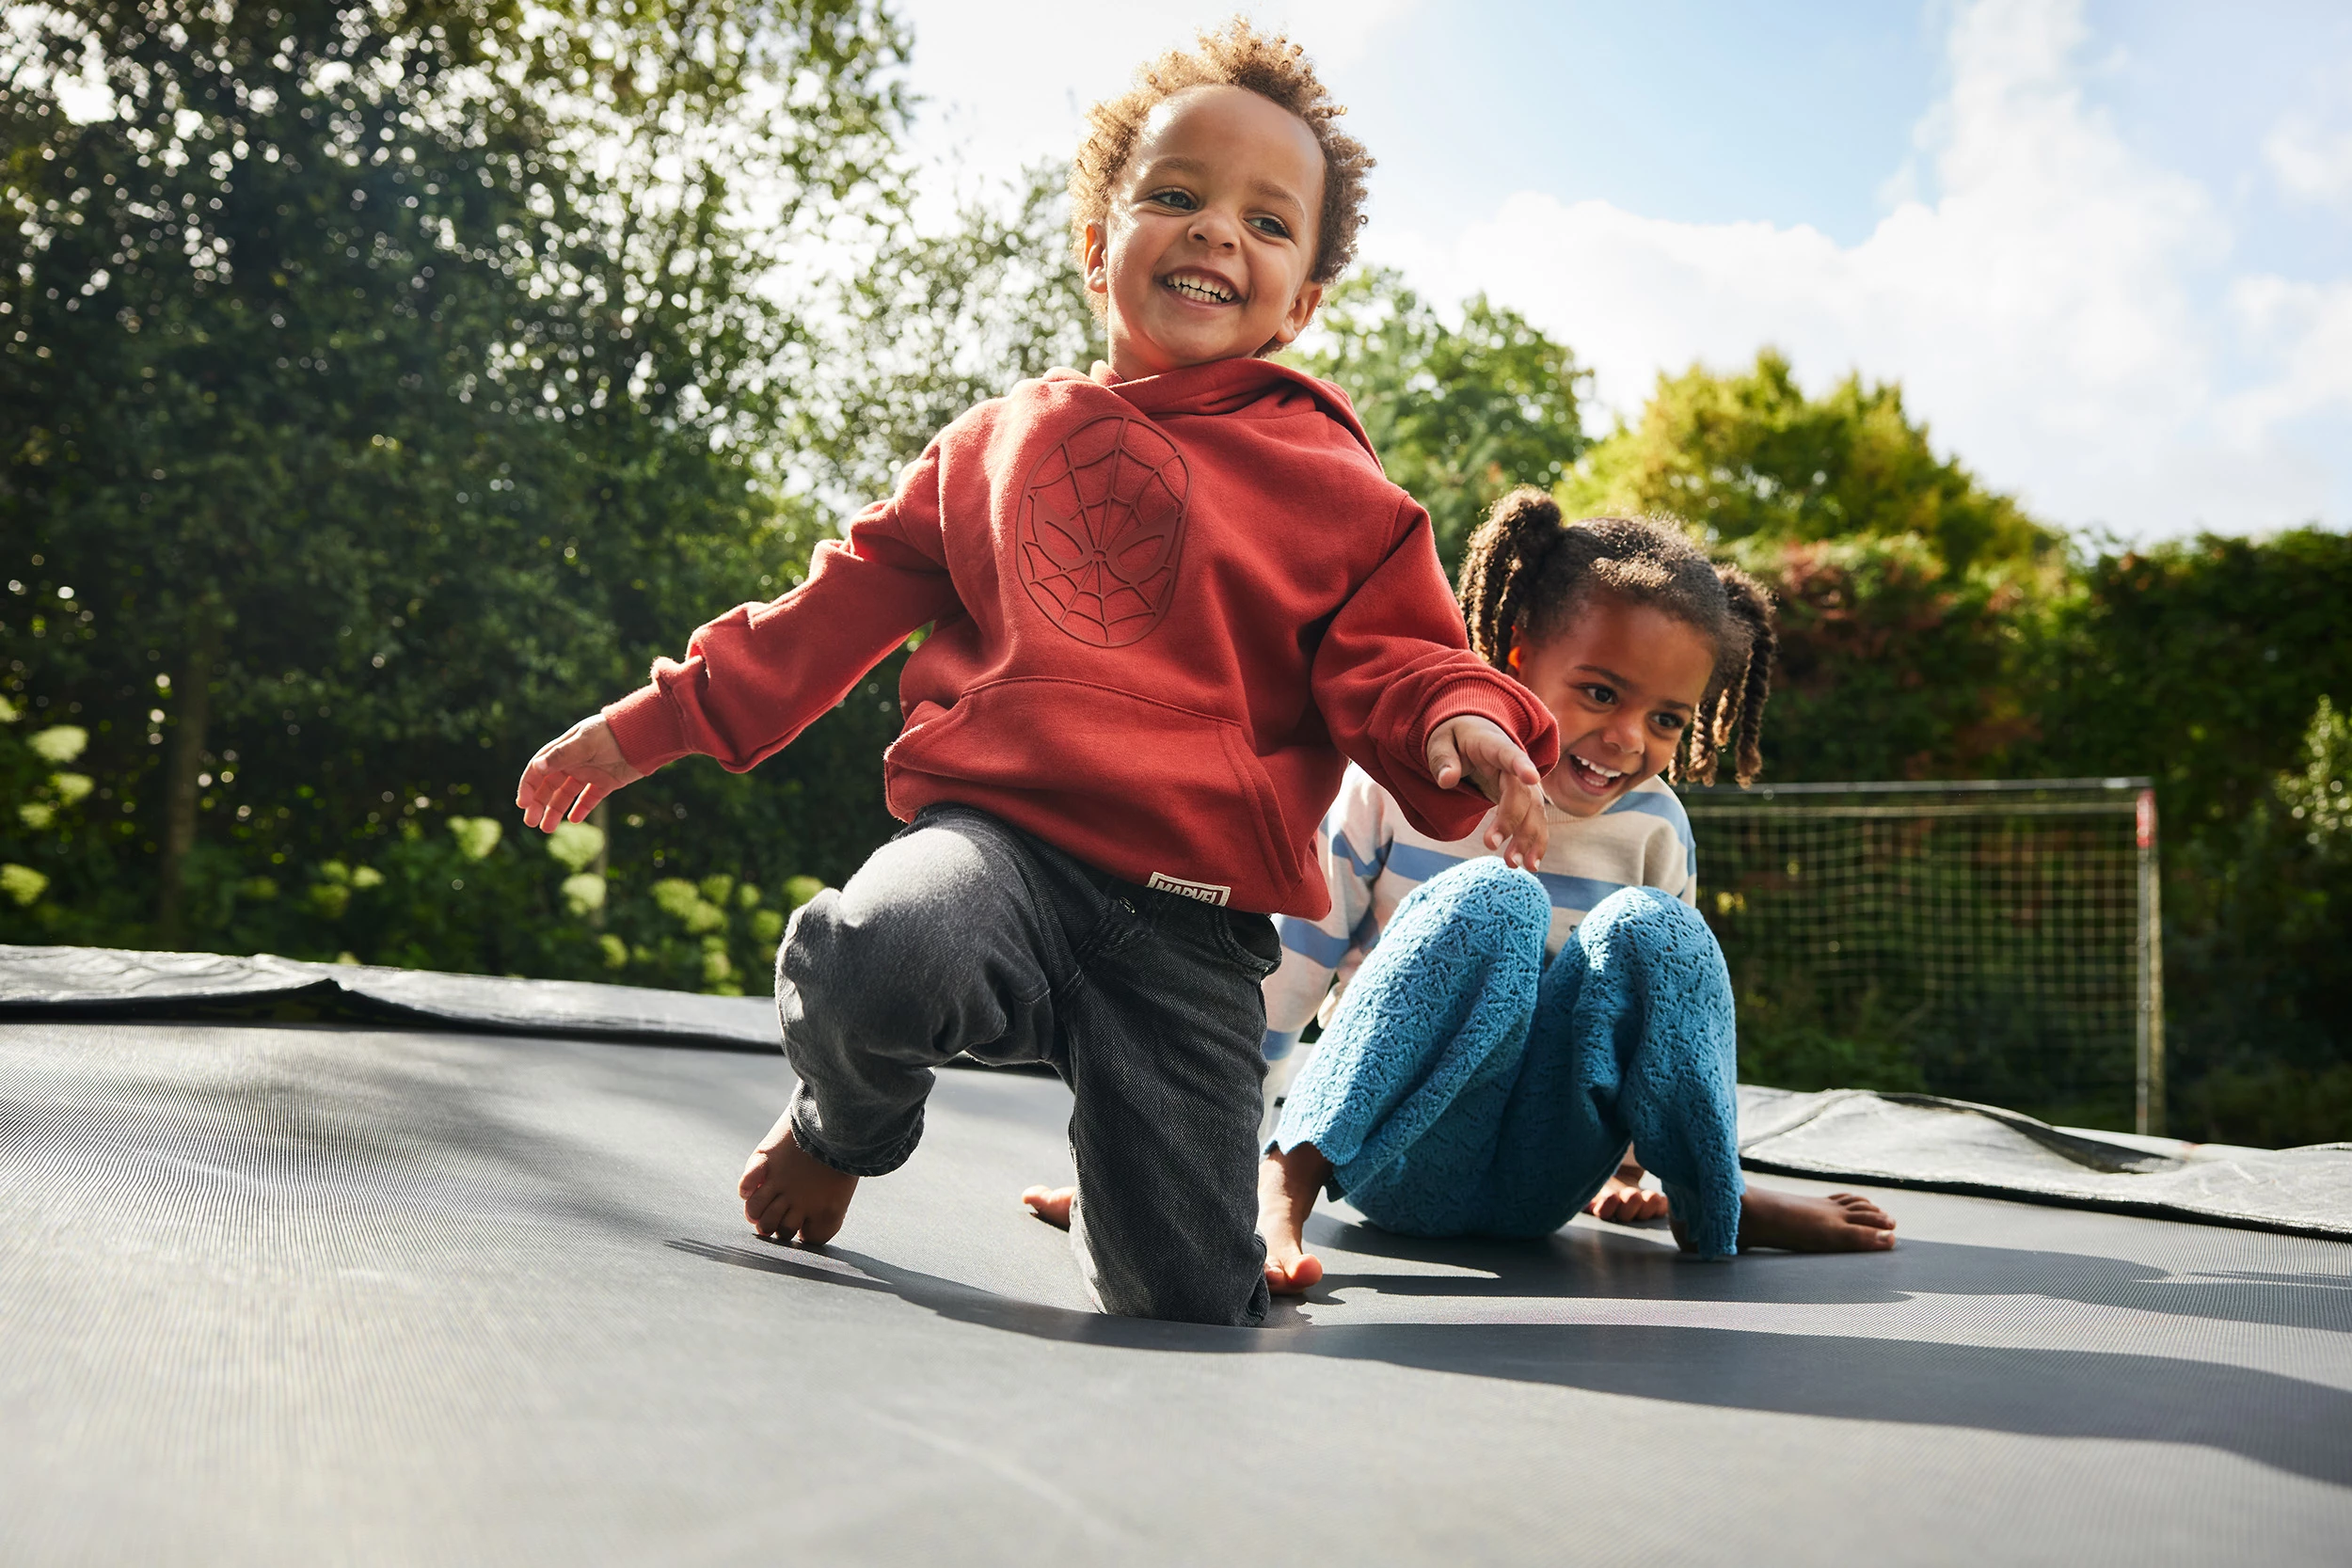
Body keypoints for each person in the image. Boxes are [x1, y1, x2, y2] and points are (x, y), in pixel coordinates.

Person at [512, 24, 1561, 1329]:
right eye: (1174, 198)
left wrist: (1464, 716)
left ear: (1300, 303)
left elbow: (1400, 657)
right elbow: (829, 609)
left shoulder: (1340, 491)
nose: (1215, 233)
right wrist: (645, 726)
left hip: (1189, 927)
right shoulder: (995, 448)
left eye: (1266, 222)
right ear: (1096, 240)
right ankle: (844, 1123)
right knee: (875, 954)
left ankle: (1139, 1163)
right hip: (999, 856)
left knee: (1184, 1295)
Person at [1249, 490, 1898, 1295]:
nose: (1630, 737)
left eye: (1667, 718)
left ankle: (1712, 1194)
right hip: (1389, 1156)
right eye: (1601, 693)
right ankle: (1283, 1183)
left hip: (1544, 1180)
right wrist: (1192, 1156)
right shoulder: (1401, 782)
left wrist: (1629, 1164)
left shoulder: (1656, 827)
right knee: (1497, 899)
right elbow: (1286, 972)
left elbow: (1666, 1022)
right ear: (1518, 653)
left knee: (1660, 931)